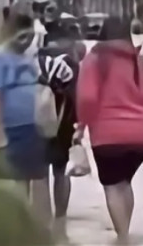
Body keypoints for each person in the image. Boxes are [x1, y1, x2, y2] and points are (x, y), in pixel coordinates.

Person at [76, 15, 143, 242]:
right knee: (125, 182)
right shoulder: (138, 61)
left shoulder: (94, 60)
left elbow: (87, 98)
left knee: (112, 185)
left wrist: (80, 127)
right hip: (142, 136)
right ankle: (126, 231)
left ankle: (122, 238)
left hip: (108, 135)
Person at [0, 0, 52, 221]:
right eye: (24, 37)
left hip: (34, 127)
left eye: (31, 37)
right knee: (17, 183)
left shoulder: (27, 57)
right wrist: (0, 133)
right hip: (12, 129)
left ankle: (42, 227)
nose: (28, 41)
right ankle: (18, 226)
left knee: (40, 179)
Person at [37, 20, 85, 225]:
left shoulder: (34, 59)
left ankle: (42, 220)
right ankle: (61, 219)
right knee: (61, 171)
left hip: (36, 122)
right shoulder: (71, 63)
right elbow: (79, 97)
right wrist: (79, 127)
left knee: (39, 175)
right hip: (64, 123)